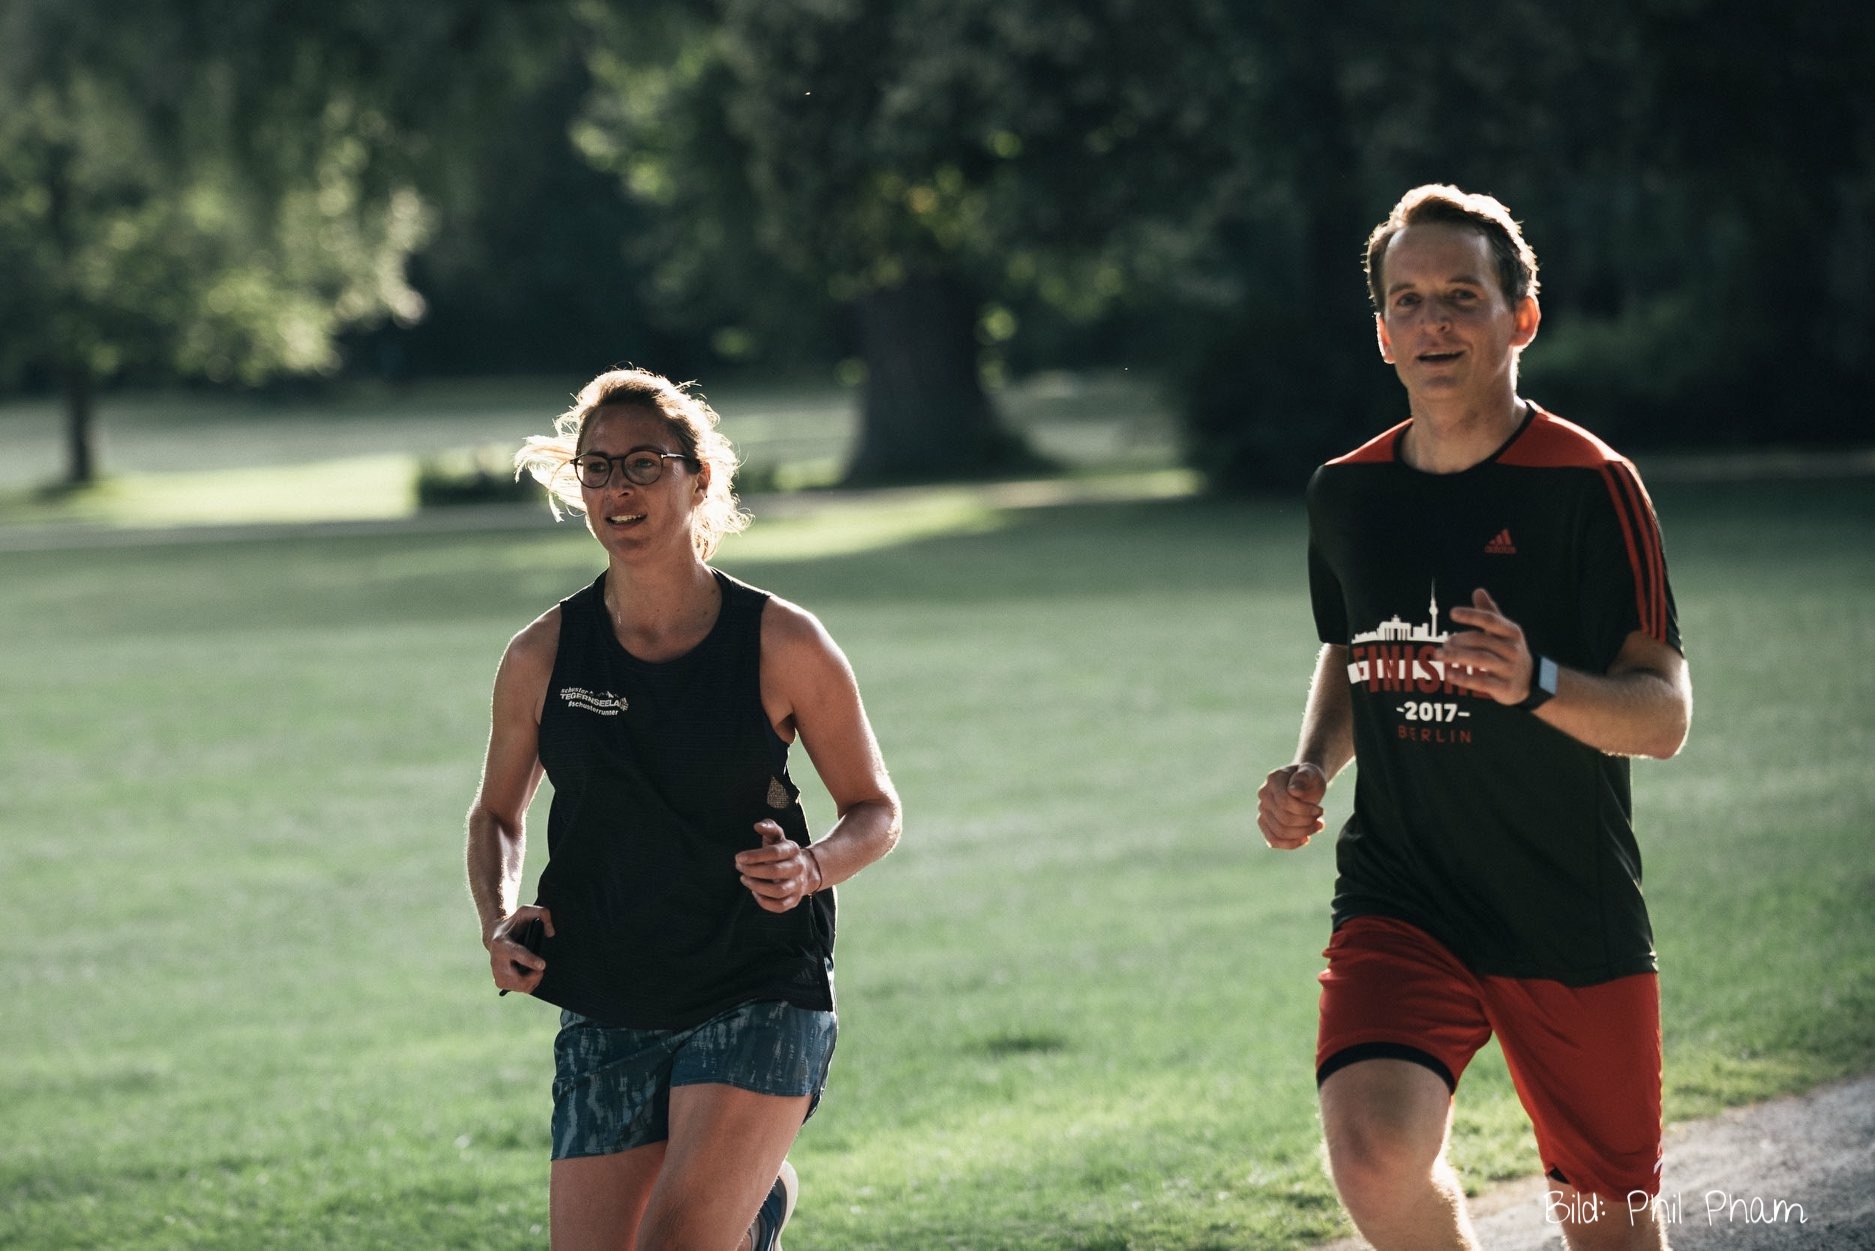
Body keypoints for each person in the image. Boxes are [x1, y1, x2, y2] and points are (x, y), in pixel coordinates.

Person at [1256, 185, 1693, 1251]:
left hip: (1564, 904)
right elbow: (1353, 650)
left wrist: (1536, 680)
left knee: (1611, 1224)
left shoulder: (1593, 484)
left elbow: (1665, 715)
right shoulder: (1347, 494)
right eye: (1408, 301)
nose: (1433, 322)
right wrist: (1312, 765)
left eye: (1461, 295)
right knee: (1371, 1157)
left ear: (1522, 317)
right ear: (1381, 333)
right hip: (1404, 891)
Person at [465, 367, 902, 1250]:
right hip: (608, 983)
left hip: (758, 980)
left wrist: (813, 865)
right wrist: (496, 917)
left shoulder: (782, 640)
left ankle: (740, 1210)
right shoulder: (542, 653)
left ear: (696, 477)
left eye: (642, 464)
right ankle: (754, 1210)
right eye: (596, 468)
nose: (617, 488)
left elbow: (875, 808)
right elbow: (497, 815)